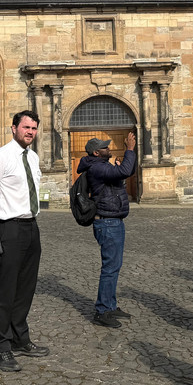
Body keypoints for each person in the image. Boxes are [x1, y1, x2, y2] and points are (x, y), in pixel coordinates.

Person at [0, 111, 49, 372]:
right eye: (26, 127)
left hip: (31, 226)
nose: (30, 132)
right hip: (8, 227)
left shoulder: (33, 157)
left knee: (25, 287)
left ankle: (20, 338)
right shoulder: (0, 157)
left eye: (34, 128)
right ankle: (1, 348)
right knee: (5, 288)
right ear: (14, 128)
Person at [76, 131, 137, 328]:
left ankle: (110, 305)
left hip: (114, 221)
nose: (109, 148)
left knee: (114, 266)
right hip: (107, 223)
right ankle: (102, 311)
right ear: (96, 152)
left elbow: (126, 172)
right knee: (110, 268)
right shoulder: (96, 168)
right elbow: (124, 172)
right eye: (105, 147)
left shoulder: (102, 165)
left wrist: (126, 161)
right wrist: (129, 149)